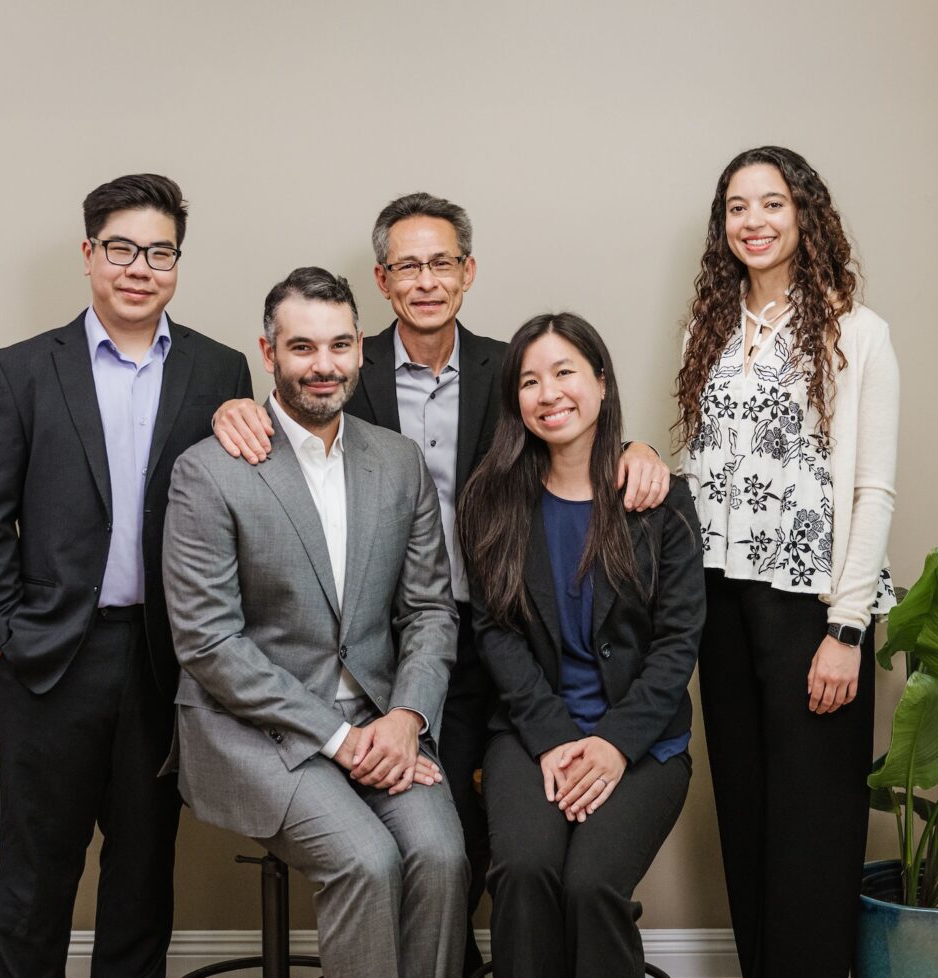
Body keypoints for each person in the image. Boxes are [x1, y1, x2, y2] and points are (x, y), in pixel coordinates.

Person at [211, 192, 670, 974]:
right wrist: (233, 408)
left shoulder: (510, 371)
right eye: (408, 267)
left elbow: (569, 424)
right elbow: (297, 417)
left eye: (443, 263)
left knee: (502, 837)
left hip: (512, 629)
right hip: (400, 648)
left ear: (468, 271)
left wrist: (640, 451)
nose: (427, 280)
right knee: (443, 827)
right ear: (384, 282)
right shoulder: (350, 365)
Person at [0, 174, 253, 977]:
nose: (139, 268)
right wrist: (1, 637)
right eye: (121, 249)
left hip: (164, 659)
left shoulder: (219, 371)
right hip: (50, 657)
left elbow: (240, 514)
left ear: (177, 264)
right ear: (90, 255)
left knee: (141, 875)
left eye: (161, 252)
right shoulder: (18, 372)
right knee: (36, 875)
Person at [162, 267, 469, 978]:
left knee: (443, 858)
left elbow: (428, 608)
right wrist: (339, 738)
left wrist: (407, 717)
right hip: (253, 729)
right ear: (268, 355)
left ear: (362, 347)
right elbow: (209, 642)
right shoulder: (208, 472)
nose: (323, 366)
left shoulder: (398, 462)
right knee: (366, 861)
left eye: (339, 345)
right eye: (302, 348)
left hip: (379, 719)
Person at [675, 146, 899, 978]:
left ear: (805, 214)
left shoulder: (855, 331)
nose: (754, 222)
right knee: (748, 813)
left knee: (812, 829)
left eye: (772, 204)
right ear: (722, 224)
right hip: (721, 605)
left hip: (814, 610)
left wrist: (847, 628)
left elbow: (873, 491)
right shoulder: (710, 327)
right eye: (738, 207)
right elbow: (709, 469)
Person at [457, 313, 703, 978]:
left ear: (600, 381)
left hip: (645, 741)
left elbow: (679, 644)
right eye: (530, 381)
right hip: (531, 732)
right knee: (523, 871)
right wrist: (559, 737)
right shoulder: (490, 501)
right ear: (516, 401)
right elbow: (494, 634)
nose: (549, 393)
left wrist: (614, 744)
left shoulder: (660, 500)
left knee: (592, 885)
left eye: (564, 372)